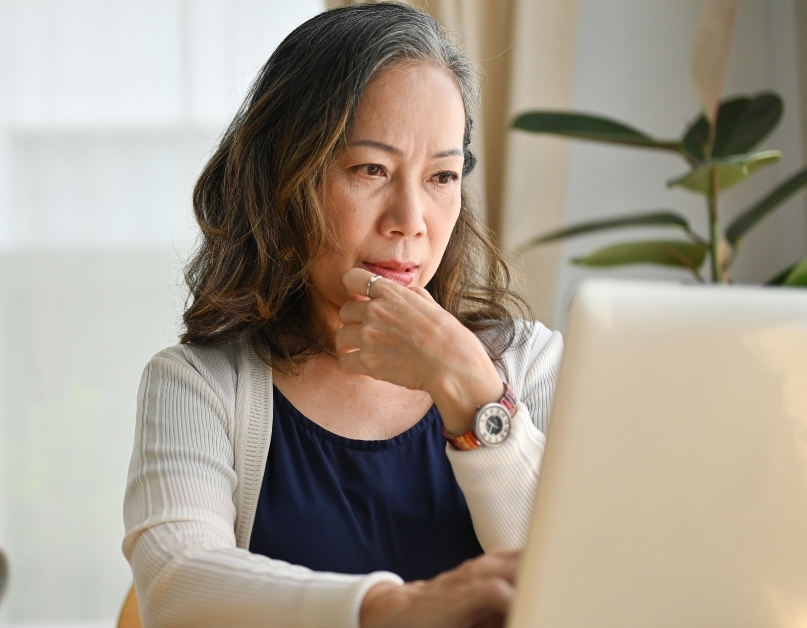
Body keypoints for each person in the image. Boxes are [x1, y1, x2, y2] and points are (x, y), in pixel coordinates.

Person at [122, 3, 563, 627]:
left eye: (441, 176)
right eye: (371, 170)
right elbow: (174, 584)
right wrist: (394, 609)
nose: (411, 219)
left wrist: (472, 391)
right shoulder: (197, 385)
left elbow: (579, 590)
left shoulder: (531, 365)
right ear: (286, 178)